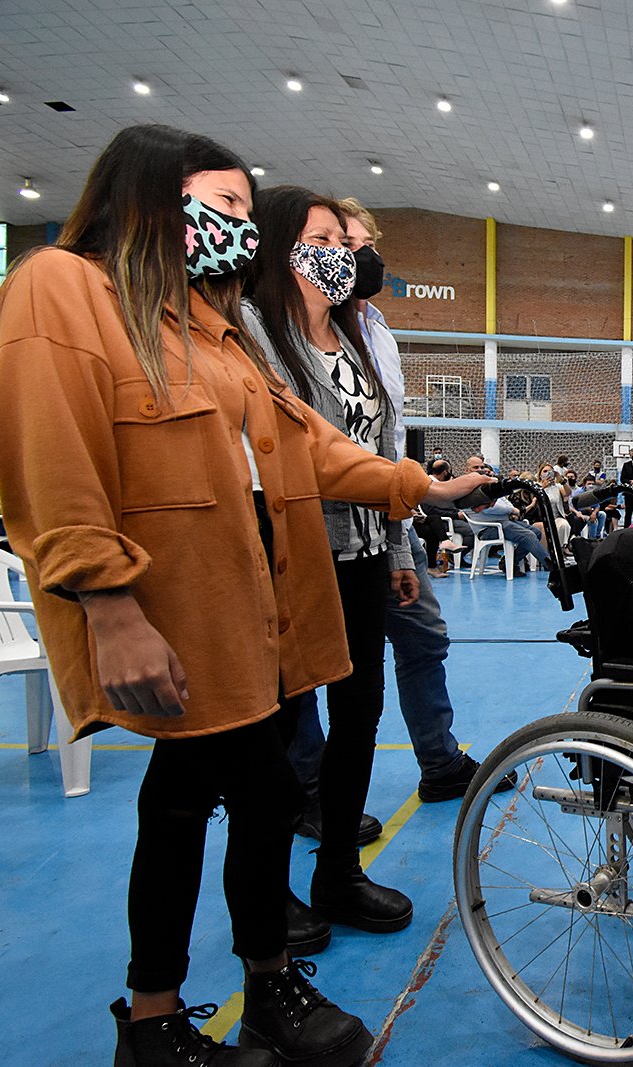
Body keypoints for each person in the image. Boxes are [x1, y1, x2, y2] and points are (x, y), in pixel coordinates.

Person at [0, 124, 485, 1066]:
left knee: (253, 796)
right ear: (149, 203)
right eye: (226, 210)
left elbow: (307, 442)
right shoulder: (62, 290)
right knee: (195, 802)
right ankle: (160, 1017)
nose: (242, 234)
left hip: (252, 604)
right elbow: (51, 461)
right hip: (167, 608)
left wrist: (424, 487)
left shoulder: (206, 328)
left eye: (248, 218)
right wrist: (109, 605)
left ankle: (259, 988)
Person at [242, 186, 422, 937]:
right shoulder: (253, 331)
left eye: (345, 246)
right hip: (289, 552)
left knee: (358, 713)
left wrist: (401, 546)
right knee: (281, 722)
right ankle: (265, 888)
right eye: (327, 240)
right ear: (284, 247)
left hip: (362, 552)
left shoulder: (352, 338)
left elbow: (383, 451)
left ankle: (338, 871)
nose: (344, 256)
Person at [336, 197, 492, 802]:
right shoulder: (291, 330)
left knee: (423, 638)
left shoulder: (379, 331)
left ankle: (439, 761)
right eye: (340, 245)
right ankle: (306, 788)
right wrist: (439, 490)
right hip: (323, 525)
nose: (357, 257)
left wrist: (401, 541)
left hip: (384, 519)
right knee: (327, 670)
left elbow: (385, 445)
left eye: (362, 244)